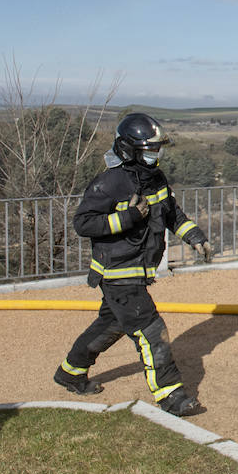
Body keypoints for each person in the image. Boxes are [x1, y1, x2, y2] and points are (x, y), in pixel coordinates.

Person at [54, 113, 214, 416]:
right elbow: (83, 222)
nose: (156, 155)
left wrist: (195, 236)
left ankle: (70, 371)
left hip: (136, 272)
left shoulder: (156, 179)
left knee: (112, 323)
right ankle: (171, 396)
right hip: (117, 273)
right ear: (129, 149)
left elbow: (171, 214)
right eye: (149, 150)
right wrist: (127, 218)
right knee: (152, 330)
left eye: (158, 149)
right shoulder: (110, 182)